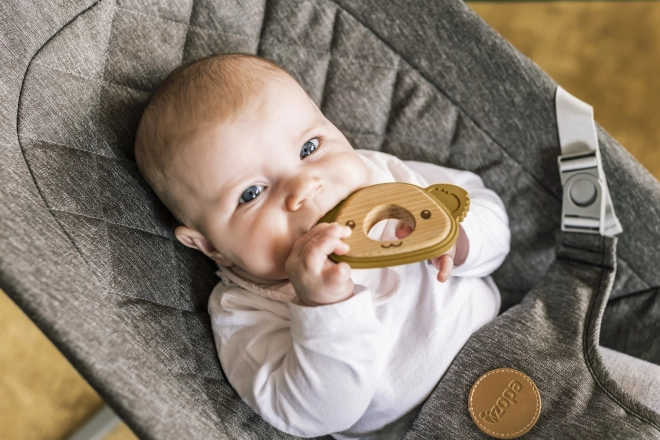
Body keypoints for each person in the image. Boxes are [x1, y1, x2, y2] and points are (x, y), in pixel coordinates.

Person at [134, 53, 659, 439]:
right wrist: (325, 309)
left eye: (310, 148)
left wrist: (460, 237)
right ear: (211, 248)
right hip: (425, 428)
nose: (303, 188)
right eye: (252, 193)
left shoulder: (385, 178)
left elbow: (486, 212)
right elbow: (316, 414)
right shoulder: (246, 311)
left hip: (545, 349)